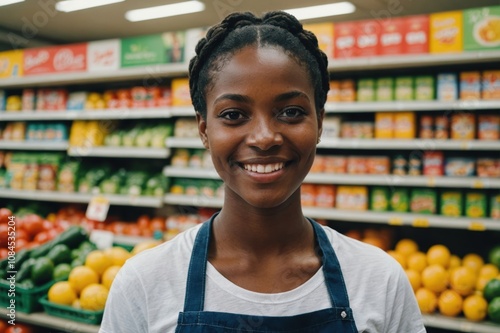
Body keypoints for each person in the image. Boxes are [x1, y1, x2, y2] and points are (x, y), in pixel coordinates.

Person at [100, 11, 426, 333]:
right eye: (233, 114)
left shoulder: (379, 279)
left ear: (320, 123)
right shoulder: (145, 283)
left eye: (291, 111)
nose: (264, 137)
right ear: (204, 131)